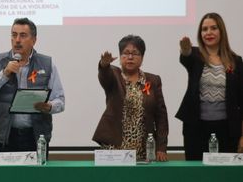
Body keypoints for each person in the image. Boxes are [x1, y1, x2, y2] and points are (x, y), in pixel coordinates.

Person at [0, 18, 65, 158]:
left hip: (36, 138)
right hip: (4, 138)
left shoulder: (47, 64)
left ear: (34, 40)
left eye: (23, 35)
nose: (17, 40)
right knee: (5, 180)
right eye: (14, 35)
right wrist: (4, 74)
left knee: (35, 180)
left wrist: (49, 107)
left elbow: (60, 101)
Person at [177, 12, 243, 160]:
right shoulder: (195, 55)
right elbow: (186, 57)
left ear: (221, 31)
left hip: (227, 129)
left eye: (213, 28)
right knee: (196, 176)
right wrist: (185, 50)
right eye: (204, 29)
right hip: (196, 128)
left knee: (224, 177)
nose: (209, 33)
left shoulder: (236, 61)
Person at [93, 35, 169, 161]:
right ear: (120, 56)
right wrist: (104, 65)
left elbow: (161, 117)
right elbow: (104, 77)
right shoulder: (114, 75)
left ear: (142, 57)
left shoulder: (153, 80)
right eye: (126, 53)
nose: (130, 57)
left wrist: (161, 147)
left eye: (135, 53)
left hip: (144, 148)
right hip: (114, 148)